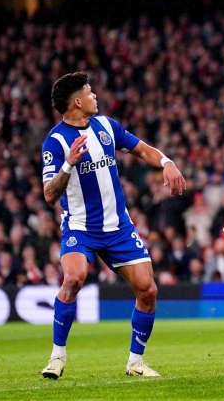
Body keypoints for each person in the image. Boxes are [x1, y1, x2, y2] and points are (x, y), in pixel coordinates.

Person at [40, 72, 185, 379]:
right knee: (74, 279)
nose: (95, 96)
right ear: (77, 102)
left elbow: (142, 149)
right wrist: (68, 164)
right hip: (81, 226)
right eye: (90, 93)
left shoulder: (106, 126)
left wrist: (166, 162)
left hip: (118, 227)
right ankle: (57, 357)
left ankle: (135, 362)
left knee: (148, 290)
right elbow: (49, 194)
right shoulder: (55, 142)